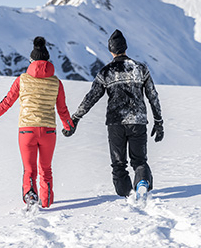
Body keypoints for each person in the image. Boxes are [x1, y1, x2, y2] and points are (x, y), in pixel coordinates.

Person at [0, 36, 74, 208]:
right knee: (46, 170)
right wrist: (68, 126)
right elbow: (62, 109)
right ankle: (47, 202)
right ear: (48, 60)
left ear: (31, 61)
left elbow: (5, 103)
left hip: (27, 131)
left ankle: (31, 197)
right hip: (49, 132)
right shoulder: (56, 83)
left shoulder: (22, 80)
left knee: (29, 170)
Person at [63, 29, 164, 198]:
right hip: (138, 122)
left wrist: (75, 118)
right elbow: (152, 95)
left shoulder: (106, 72)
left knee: (118, 164)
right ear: (125, 47)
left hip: (115, 124)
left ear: (111, 50)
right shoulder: (140, 68)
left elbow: (91, 97)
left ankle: (126, 196)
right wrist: (158, 121)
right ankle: (142, 183)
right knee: (139, 161)